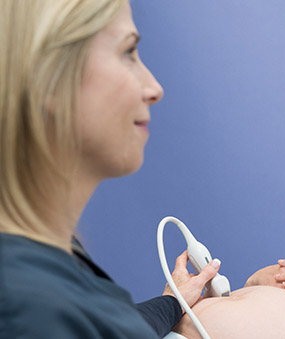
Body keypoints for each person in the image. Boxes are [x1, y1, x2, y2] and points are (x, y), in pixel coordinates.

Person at [0, 1, 220, 337]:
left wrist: (173, 302)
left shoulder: (40, 277)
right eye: (128, 52)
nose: (154, 89)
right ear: (47, 77)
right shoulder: (30, 308)